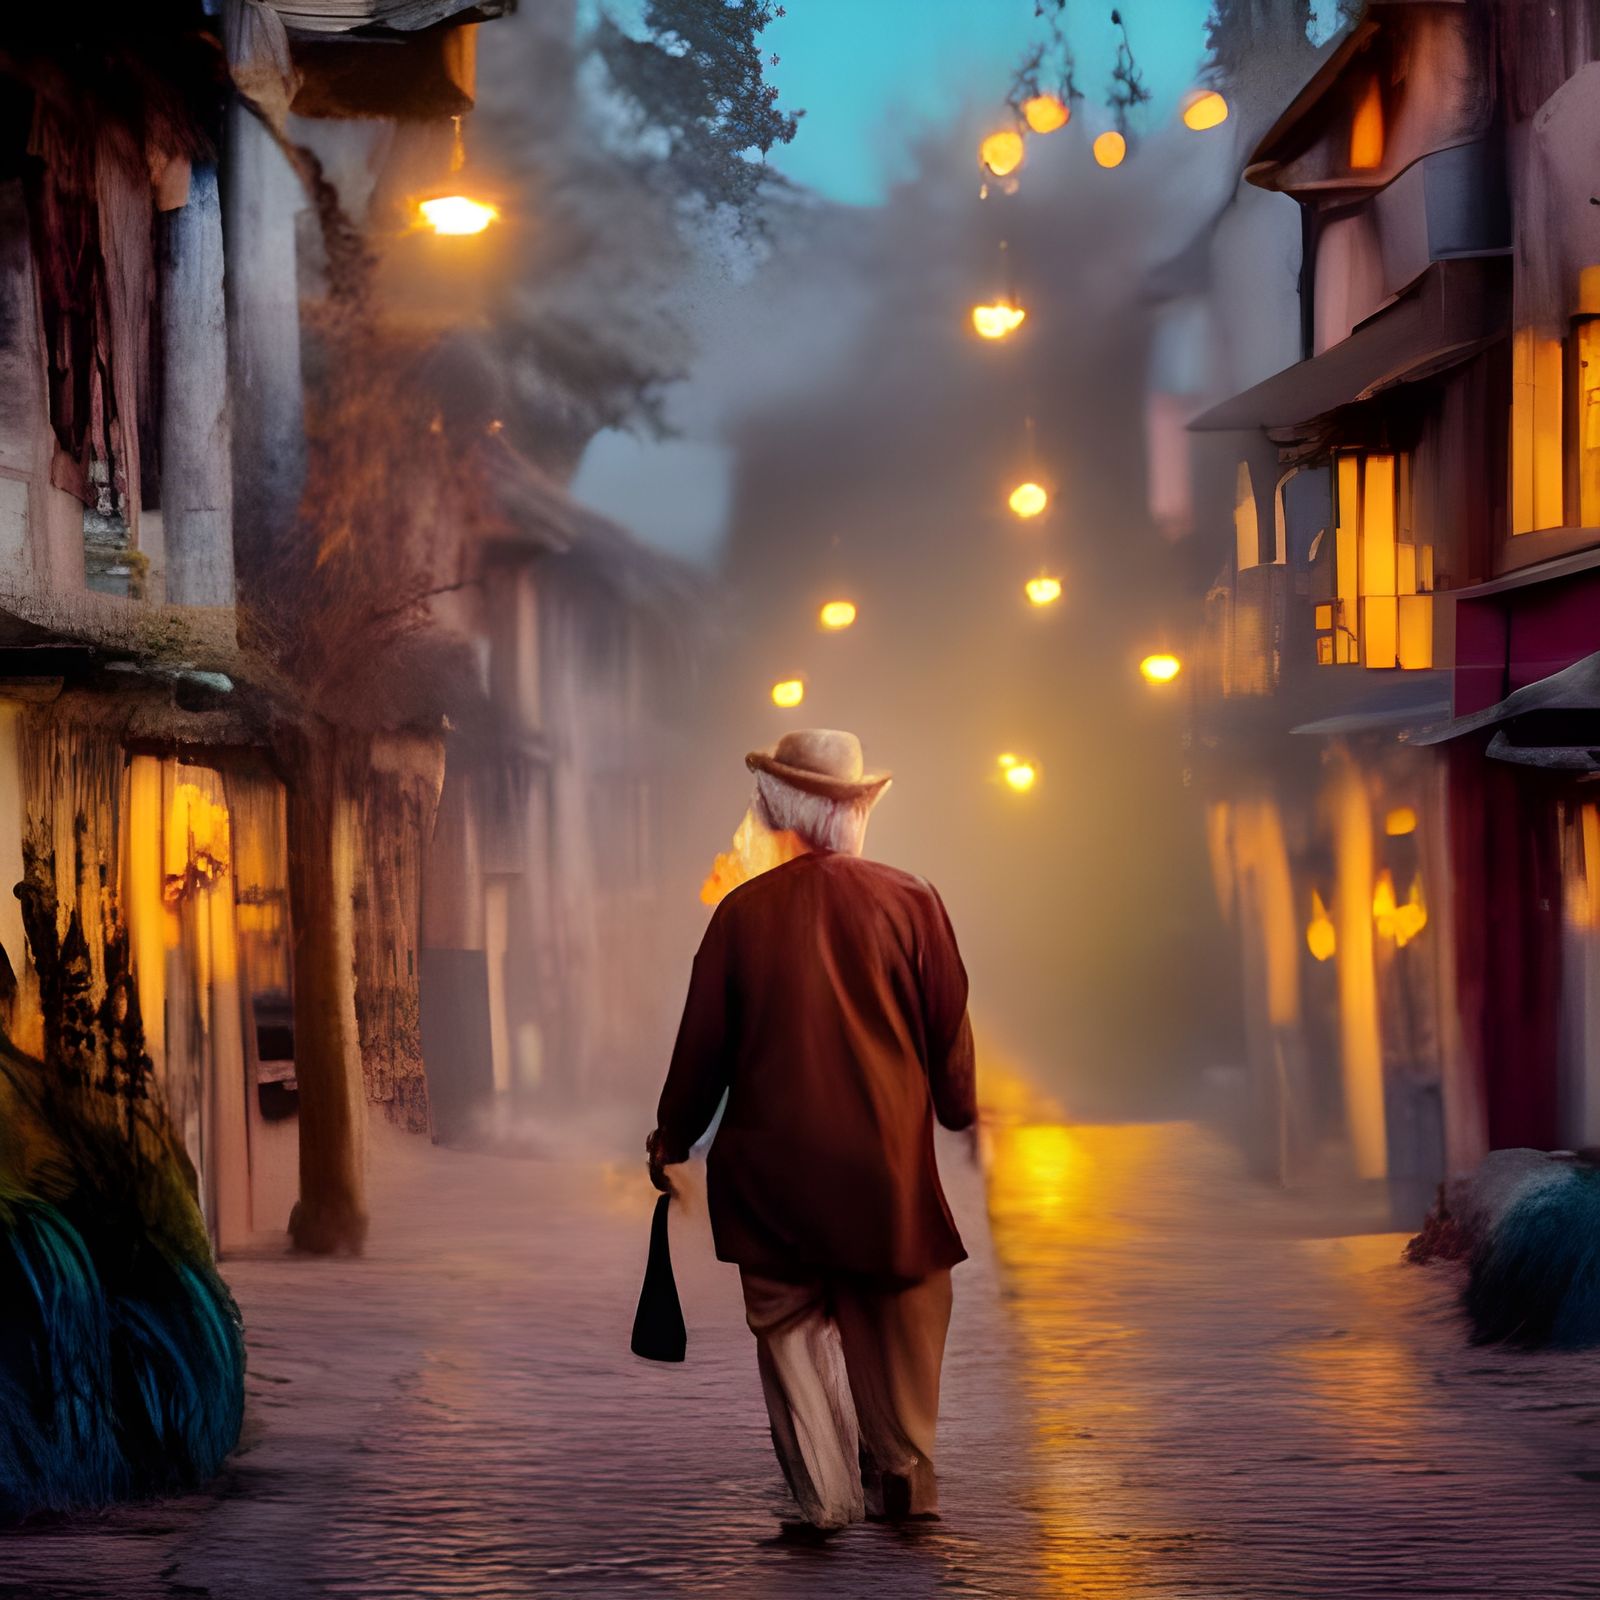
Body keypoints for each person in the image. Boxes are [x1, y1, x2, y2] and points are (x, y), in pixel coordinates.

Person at [646, 728, 977, 1530]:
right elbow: (949, 1033)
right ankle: (901, 1464)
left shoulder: (740, 917)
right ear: (857, 813)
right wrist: (957, 1109)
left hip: (772, 1182)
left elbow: (703, 1050)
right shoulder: (913, 901)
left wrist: (672, 1136)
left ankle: (822, 1491)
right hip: (883, 1174)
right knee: (898, 1306)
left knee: (787, 1324)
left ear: (776, 812)